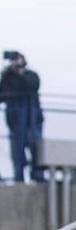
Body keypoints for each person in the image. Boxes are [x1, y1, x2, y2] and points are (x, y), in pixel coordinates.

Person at [0, 51, 44, 183]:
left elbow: (31, 86)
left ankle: (38, 177)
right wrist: (7, 74)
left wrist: (18, 73)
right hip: (16, 122)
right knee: (17, 155)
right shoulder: (8, 77)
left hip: (33, 121)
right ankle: (19, 180)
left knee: (36, 152)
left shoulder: (31, 76)